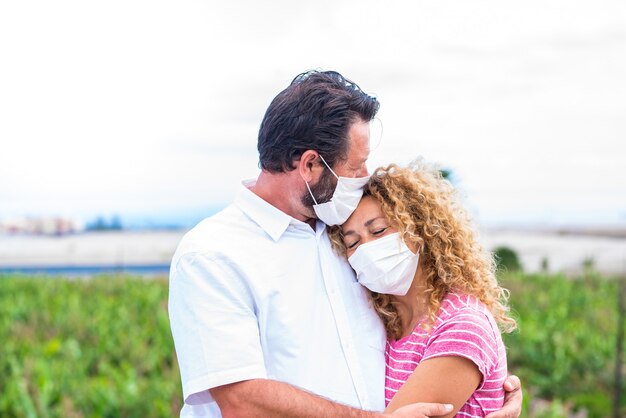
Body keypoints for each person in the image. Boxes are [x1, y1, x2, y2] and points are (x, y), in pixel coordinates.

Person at [168, 70, 522, 417]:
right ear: (310, 165)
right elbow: (242, 401)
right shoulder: (213, 255)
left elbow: (428, 323)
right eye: (356, 166)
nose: (363, 177)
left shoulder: (340, 227)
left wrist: (487, 388)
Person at [329, 161, 518, 417]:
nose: (366, 249)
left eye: (379, 230)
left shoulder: (462, 324)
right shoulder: (383, 323)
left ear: (419, 230)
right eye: (352, 242)